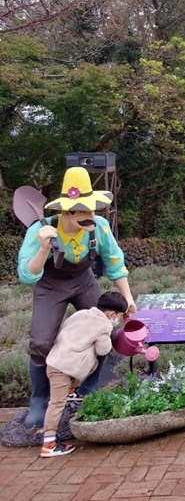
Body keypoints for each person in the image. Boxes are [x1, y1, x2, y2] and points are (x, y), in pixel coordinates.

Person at [16, 167, 136, 430]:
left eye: (91, 209)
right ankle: (40, 399)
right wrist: (44, 247)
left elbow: (115, 262)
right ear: (65, 212)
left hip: (84, 282)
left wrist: (127, 298)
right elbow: (27, 275)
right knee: (41, 343)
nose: (90, 216)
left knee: (105, 330)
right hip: (49, 287)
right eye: (82, 211)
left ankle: (88, 389)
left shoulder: (99, 228)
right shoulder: (41, 230)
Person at [40, 290, 128, 457]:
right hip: (63, 369)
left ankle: (72, 392)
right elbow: (104, 350)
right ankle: (49, 443)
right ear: (111, 314)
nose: (117, 319)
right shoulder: (103, 325)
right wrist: (108, 335)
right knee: (56, 403)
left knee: (90, 363)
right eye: (118, 315)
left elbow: (66, 328)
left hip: (55, 361)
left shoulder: (81, 314)